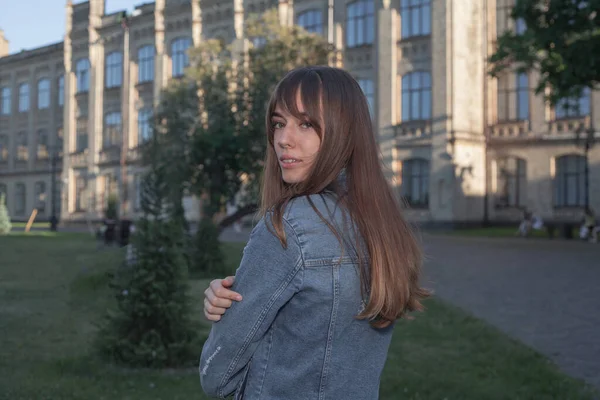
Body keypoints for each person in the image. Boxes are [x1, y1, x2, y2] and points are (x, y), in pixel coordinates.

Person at [199, 66, 430, 399]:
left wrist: (227, 325)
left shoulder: (288, 227)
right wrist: (228, 302)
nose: (283, 139)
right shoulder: (380, 224)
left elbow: (217, 375)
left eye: (306, 124)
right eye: (279, 123)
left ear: (343, 131)